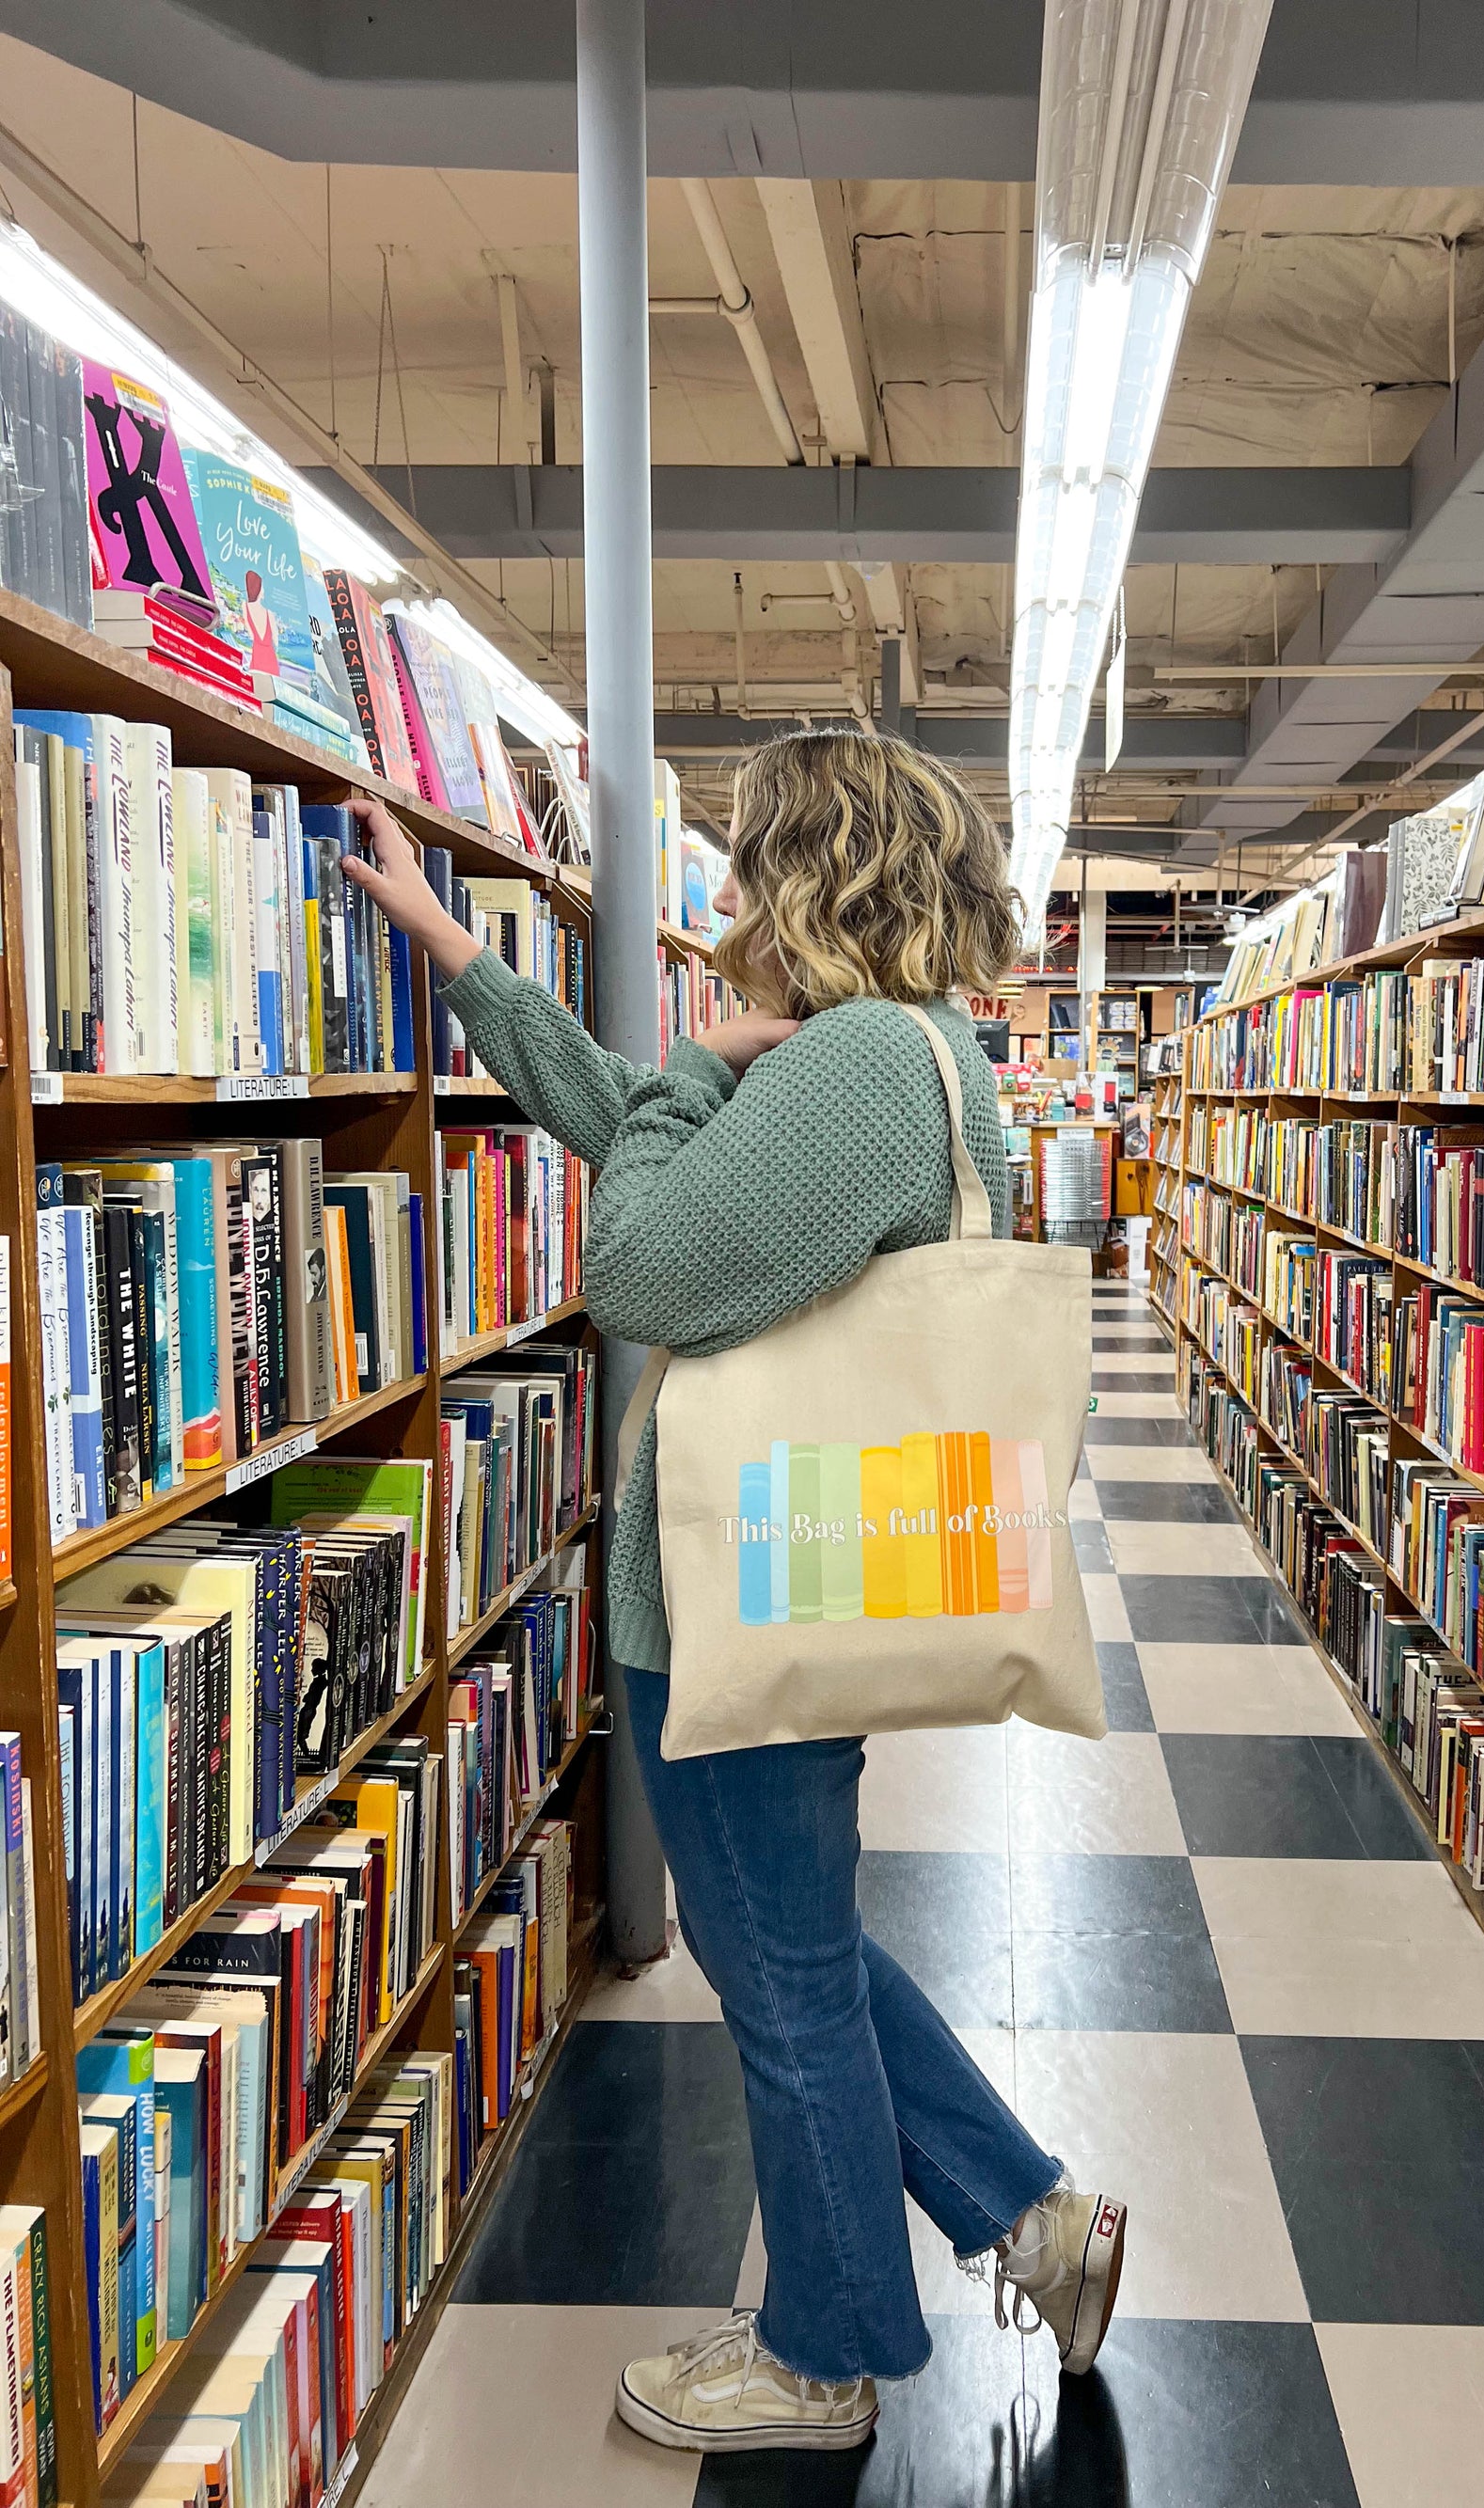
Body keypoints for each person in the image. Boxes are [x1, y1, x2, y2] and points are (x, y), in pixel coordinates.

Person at [341, 725, 1127, 2456]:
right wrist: (467, 959)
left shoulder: (853, 1067)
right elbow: (657, 1136)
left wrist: (700, 1069)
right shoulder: (879, 1052)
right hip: (795, 1573)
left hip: (765, 1590)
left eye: (748, 857)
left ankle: (825, 2353)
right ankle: (1035, 2219)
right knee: (795, 1947)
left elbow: (641, 1257)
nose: (725, 893)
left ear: (814, 871)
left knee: (777, 1975)